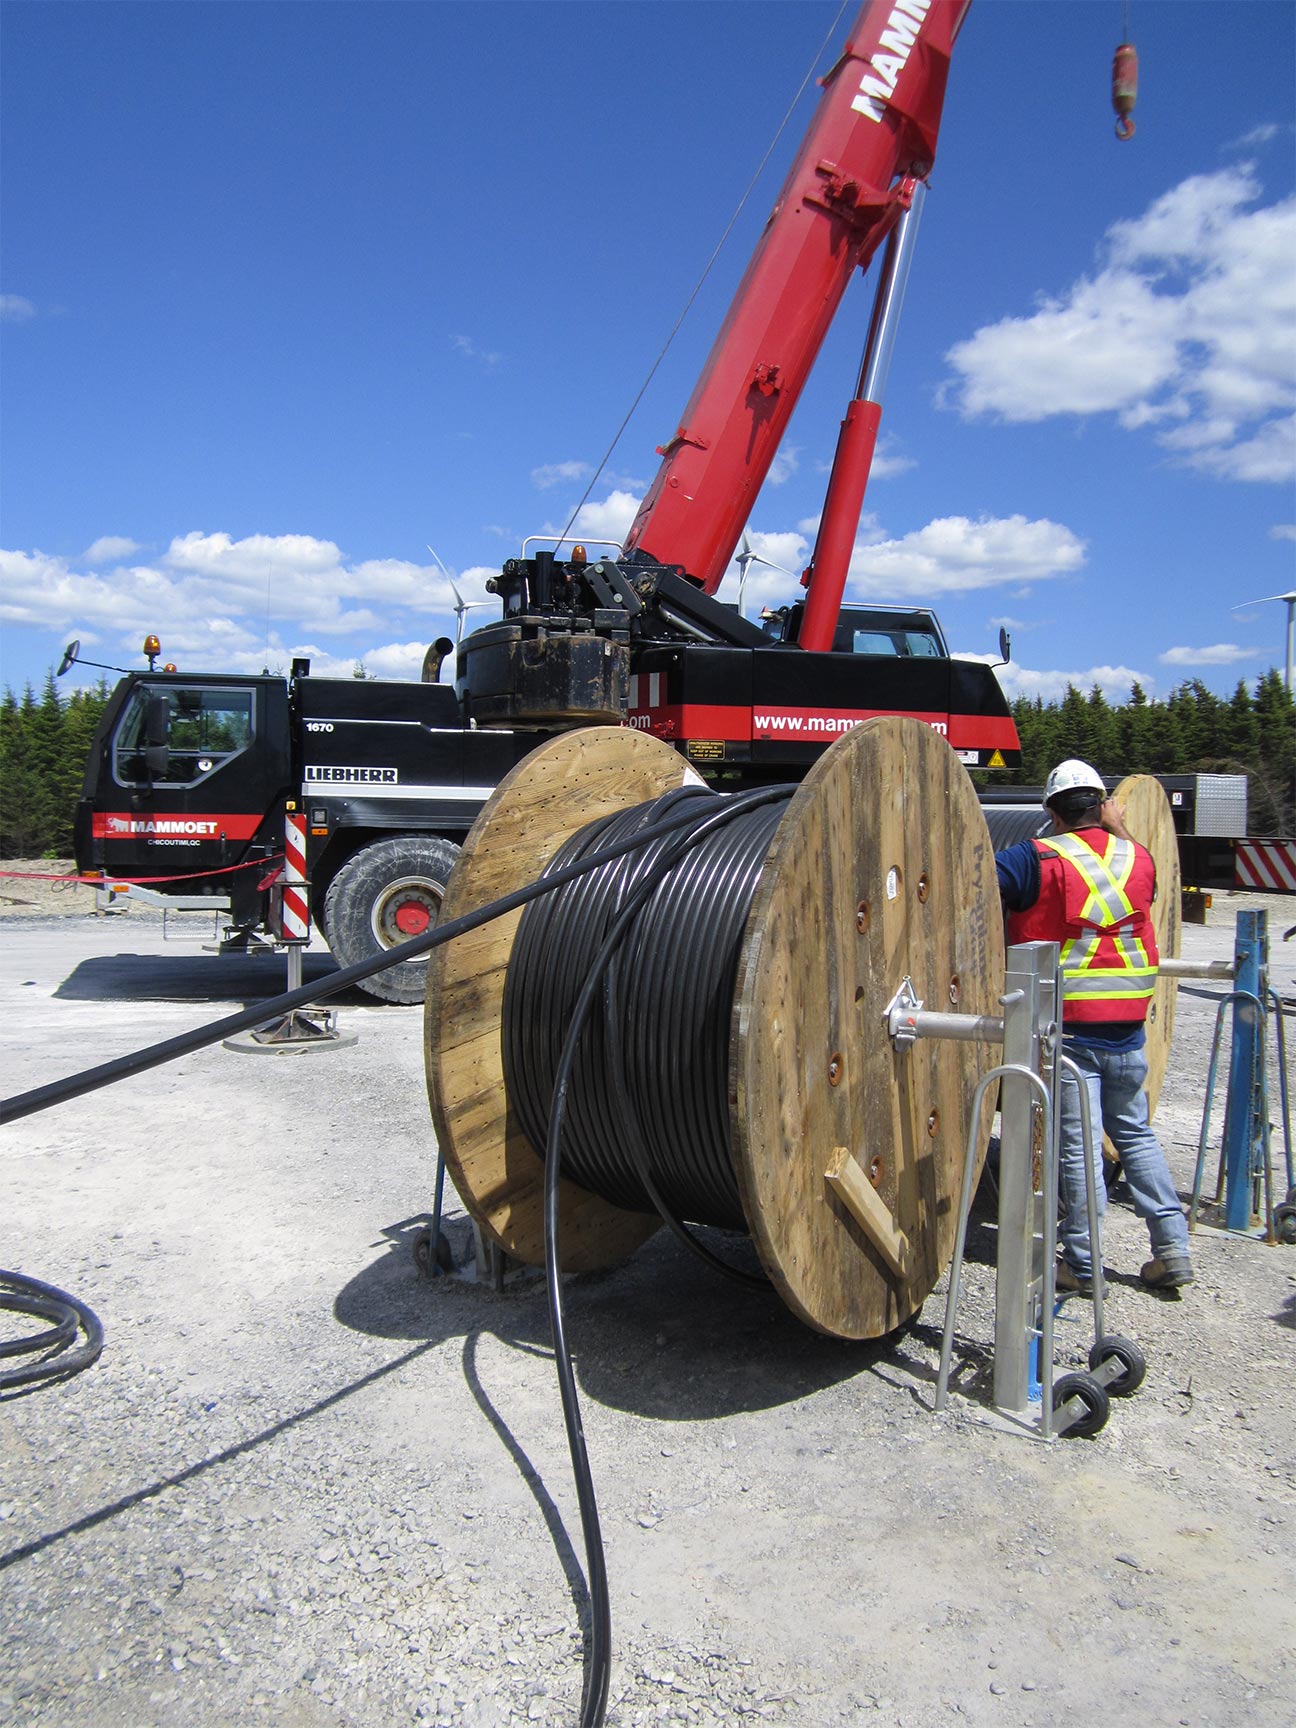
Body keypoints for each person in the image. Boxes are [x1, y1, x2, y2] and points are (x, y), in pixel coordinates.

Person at [994, 759, 1195, 1295]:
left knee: (1078, 1148)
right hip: (1129, 1027)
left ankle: (1081, 1265)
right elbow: (1144, 878)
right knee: (1134, 1132)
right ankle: (1173, 1246)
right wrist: (1118, 824)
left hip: (1071, 1032)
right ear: (1101, 807)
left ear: (1050, 812)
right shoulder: (1138, 859)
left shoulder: (1036, 858)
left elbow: (974, 885)